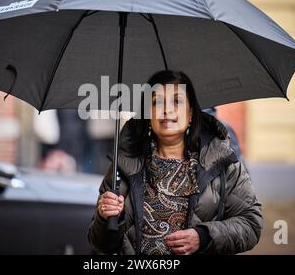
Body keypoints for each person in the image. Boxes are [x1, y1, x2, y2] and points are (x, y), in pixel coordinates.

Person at [88, 70, 262, 255]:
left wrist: (204, 237)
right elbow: (99, 244)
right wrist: (107, 217)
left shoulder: (220, 161)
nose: (167, 109)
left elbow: (251, 224)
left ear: (190, 114)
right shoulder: (123, 165)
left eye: (177, 101)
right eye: (157, 102)